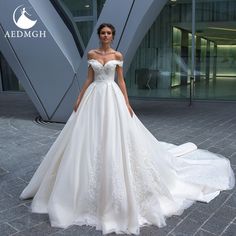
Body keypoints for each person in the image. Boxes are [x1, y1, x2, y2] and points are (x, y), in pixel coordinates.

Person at [20, 23, 235, 235]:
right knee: (87, 138)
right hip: (94, 97)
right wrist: (79, 97)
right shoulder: (92, 54)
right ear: (99, 35)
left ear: (112, 36)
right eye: (103, 33)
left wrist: (127, 102)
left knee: (115, 136)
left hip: (112, 97)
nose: (105, 36)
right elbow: (88, 79)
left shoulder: (117, 55)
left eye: (109, 33)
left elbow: (121, 81)